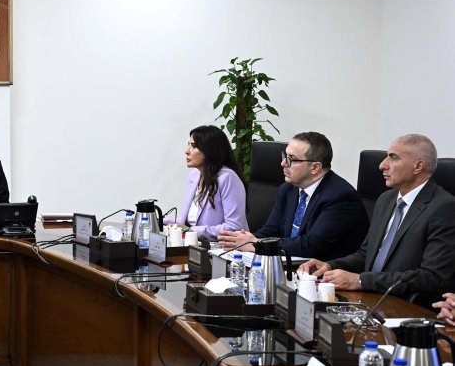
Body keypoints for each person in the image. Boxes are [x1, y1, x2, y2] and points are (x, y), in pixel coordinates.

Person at [300, 134, 455, 296]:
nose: (382, 165)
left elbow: (431, 277)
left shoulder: (444, 208)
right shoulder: (386, 199)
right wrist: (330, 266)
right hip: (370, 295)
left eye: (393, 157)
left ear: (418, 166)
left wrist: (360, 281)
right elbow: (366, 255)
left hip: (403, 302)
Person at [218, 132, 368, 261]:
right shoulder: (288, 189)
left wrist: (257, 244)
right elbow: (271, 230)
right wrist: (242, 240)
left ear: (315, 167)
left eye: (292, 159)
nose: (283, 163)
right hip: (291, 266)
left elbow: (311, 245)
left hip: (326, 274)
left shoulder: (340, 197)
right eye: (285, 156)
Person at [168, 125, 247, 241]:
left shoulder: (228, 178)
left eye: (194, 146)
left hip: (223, 247)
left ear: (210, 151)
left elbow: (234, 227)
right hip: (196, 244)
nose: (187, 151)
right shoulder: (193, 176)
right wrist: (158, 221)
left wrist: (191, 231)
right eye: (188, 144)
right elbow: (184, 222)